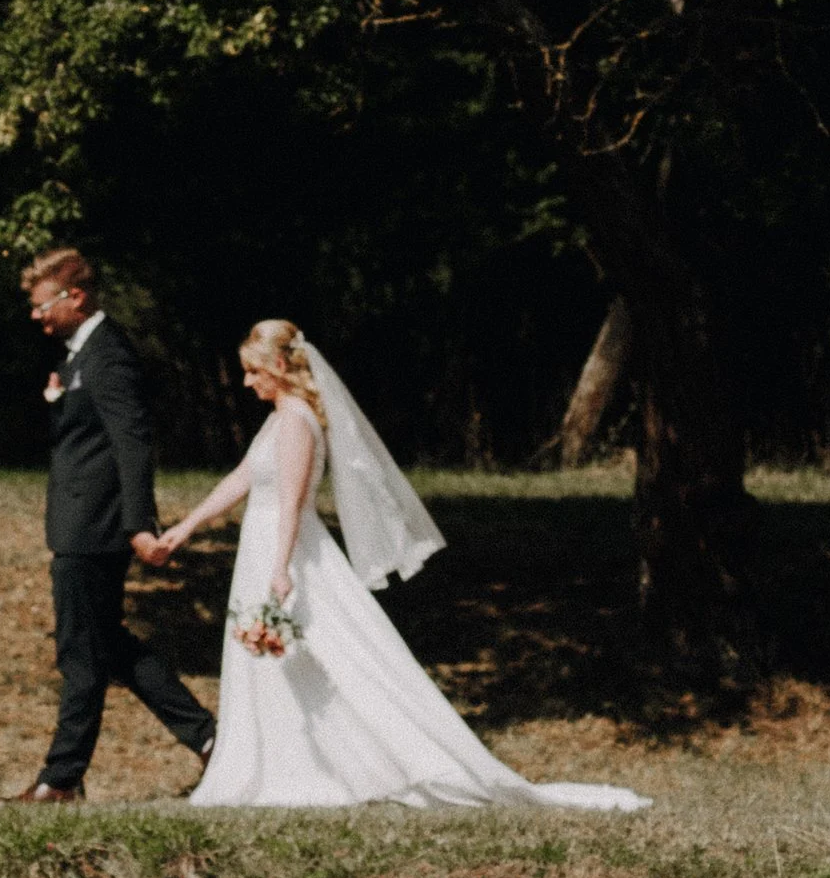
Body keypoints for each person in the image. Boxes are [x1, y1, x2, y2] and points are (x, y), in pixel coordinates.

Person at [136, 319, 648, 812]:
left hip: (284, 547)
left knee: (338, 657)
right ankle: (289, 762)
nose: (247, 382)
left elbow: (291, 501)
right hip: (266, 543)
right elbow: (243, 477)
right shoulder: (279, 419)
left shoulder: (295, 423)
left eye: (254, 371)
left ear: (279, 366)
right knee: (288, 659)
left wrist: (280, 566)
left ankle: (355, 763)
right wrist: (188, 527)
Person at [7, 247, 216, 805]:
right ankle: (210, 738)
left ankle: (62, 779)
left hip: (94, 528)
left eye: (41, 303)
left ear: (75, 297)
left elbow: (132, 442)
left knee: (80, 653)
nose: (36, 315)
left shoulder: (109, 356)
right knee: (111, 646)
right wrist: (57, 402)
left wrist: (139, 524)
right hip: (76, 524)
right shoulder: (77, 358)